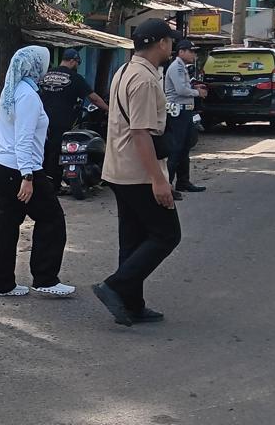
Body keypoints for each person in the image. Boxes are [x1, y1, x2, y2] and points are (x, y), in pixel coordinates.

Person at [92, 18, 183, 327]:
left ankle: (130, 304)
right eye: (170, 41)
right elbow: (141, 133)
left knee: (132, 239)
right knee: (167, 234)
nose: (172, 46)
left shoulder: (125, 71)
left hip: (119, 168)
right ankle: (114, 286)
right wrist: (159, 180)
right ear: (161, 43)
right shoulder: (144, 80)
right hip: (138, 172)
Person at [0, 46, 74, 298]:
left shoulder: (11, 90)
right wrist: (27, 176)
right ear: (35, 66)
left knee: (7, 226)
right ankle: (45, 278)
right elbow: (23, 139)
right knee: (52, 219)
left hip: (3, 164)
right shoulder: (28, 96)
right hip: (20, 168)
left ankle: (1, 283)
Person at [38, 48, 109, 187]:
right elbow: (93, 98)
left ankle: (41, 181)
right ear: (72, 61)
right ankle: (54, 184)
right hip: (61, 120)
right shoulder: (75, 78)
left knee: (42, 149)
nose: (77, 66)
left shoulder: (46, 75)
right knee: (57, 151)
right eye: (77, 63)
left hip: (40, 119)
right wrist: (108, 109)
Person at [163, 40, 208, 198]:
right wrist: (197, 93)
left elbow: (185, 87)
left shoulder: (182, 67)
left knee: (185, 148)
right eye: (191, 51)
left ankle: (183, 181)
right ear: (181, 51)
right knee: (176, 149)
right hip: (178, 113)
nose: (194, 54)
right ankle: (167, 185)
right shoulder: (176, 67)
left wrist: (194, 88)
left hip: (185, 112)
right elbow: (181, 90)